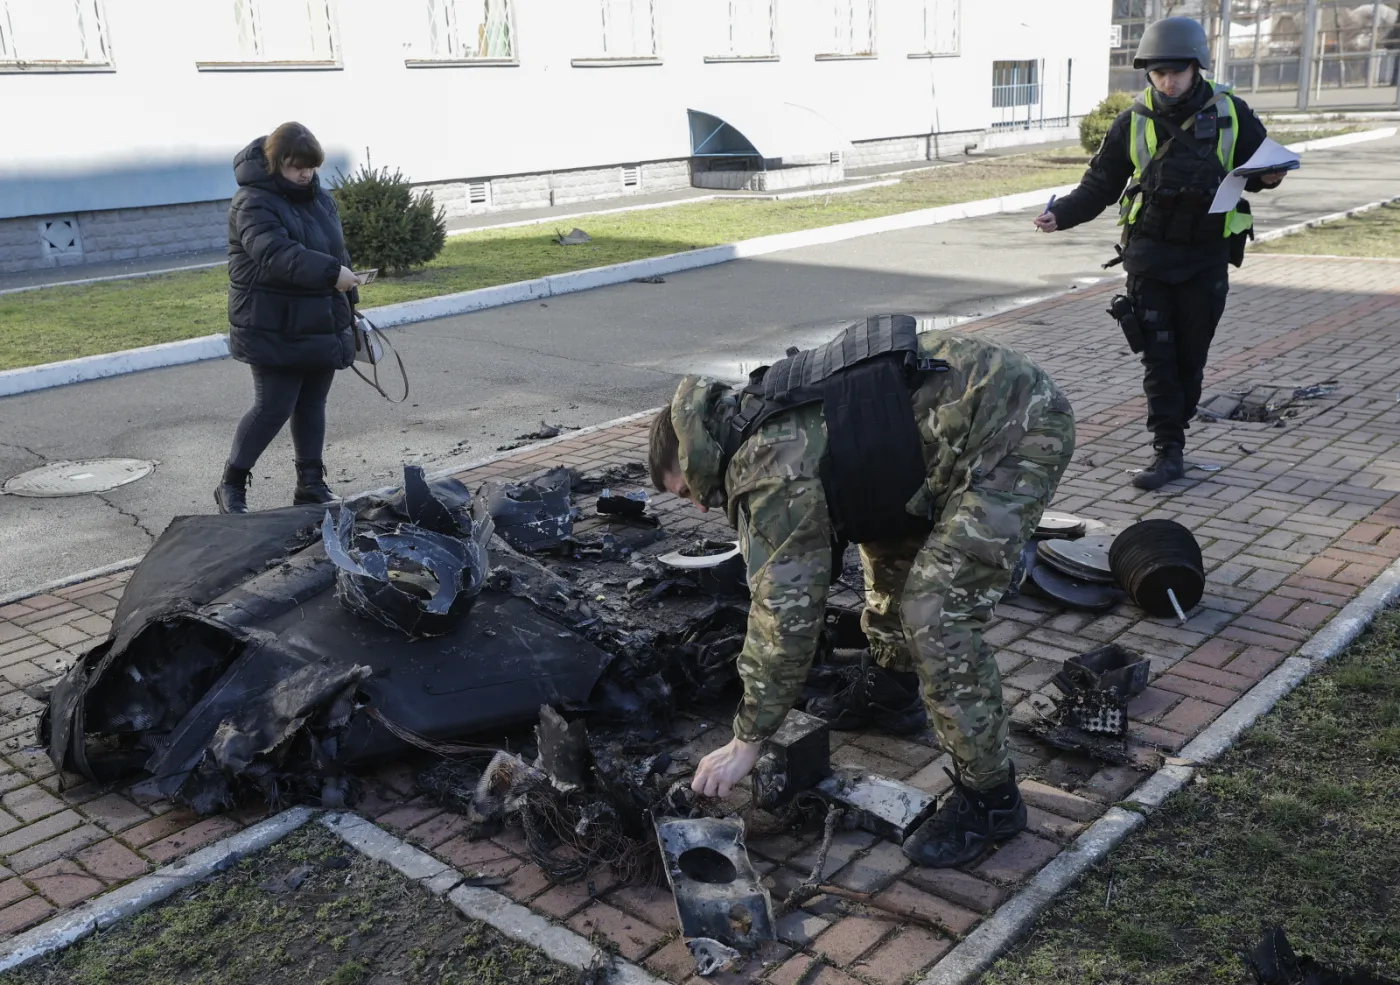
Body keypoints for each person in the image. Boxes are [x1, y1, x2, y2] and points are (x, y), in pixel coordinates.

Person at [648, 315, 1075, 867]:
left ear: (688, 455)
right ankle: (893, 692)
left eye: (685, 493)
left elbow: (785, 616)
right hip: (943, 442)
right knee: (885, 543)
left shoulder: (768, 468)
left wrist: (747, 740)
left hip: (1013, 429)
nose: (701, 506)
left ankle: (991, 800)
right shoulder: (744, 419)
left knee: (935, 613)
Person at [1034, 17, 1286, 491]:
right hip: (1149, 257)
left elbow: (1260, 168)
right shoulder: (1133, 120)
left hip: (1206, 257)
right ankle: (1167, 449)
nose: (1167, 82)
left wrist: (1269, 177)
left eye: (1176, 72)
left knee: (1191, 359)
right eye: (1158, 73)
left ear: (1197, 68)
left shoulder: (1232, 112)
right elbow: (1100, 185)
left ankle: (1178, 427)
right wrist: (1061, 215)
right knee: (1159, 359)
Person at [216, 121, 361, 514]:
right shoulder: (252, 201)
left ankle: (310, 485)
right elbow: (276, 254)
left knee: (313, 403)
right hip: (272, 323)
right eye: (298, 166)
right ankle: (231, 486)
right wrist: (333, 275)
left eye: (312, 166)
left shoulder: (319, 197)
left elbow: (337, 252)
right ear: (276, 161)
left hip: (319, 320)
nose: (306, 174)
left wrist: (350, 303)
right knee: (273, 407)